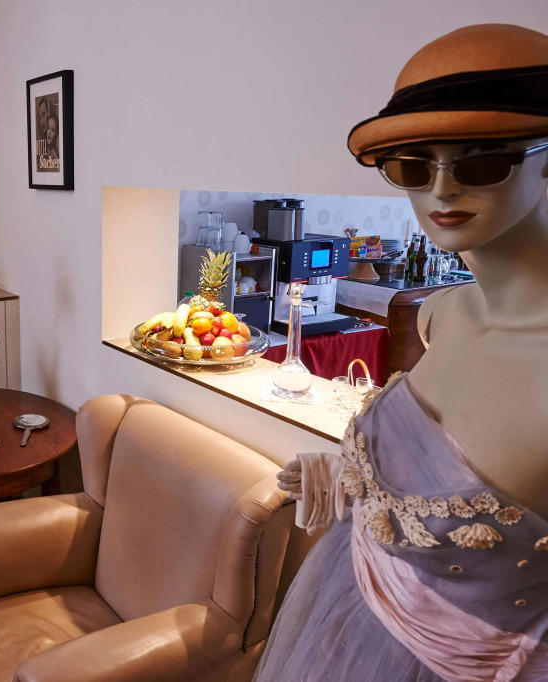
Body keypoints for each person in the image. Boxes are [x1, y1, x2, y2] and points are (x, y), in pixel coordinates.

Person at [255, 24, 548, 681]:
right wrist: (350, 478)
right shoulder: (442, 314)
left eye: (482, 161)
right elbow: (430, 496)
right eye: (414, 166)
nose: (441, 189)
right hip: (342, 614)